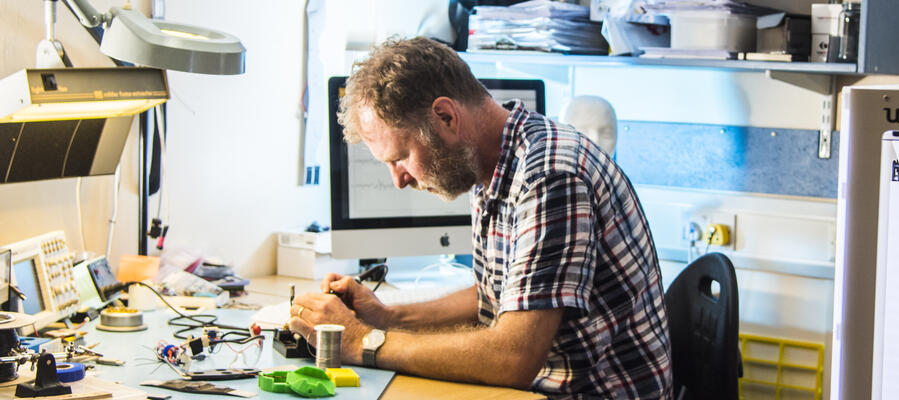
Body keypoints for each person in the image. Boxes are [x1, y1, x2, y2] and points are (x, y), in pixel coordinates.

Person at [287, 36, 672, 399]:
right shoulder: (496, 166)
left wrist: (363, 342)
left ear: (446, 117)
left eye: (401, 156)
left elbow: (513, 357)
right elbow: (503, 295)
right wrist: (386, 317)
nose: (399, 180)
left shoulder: (550, 177)